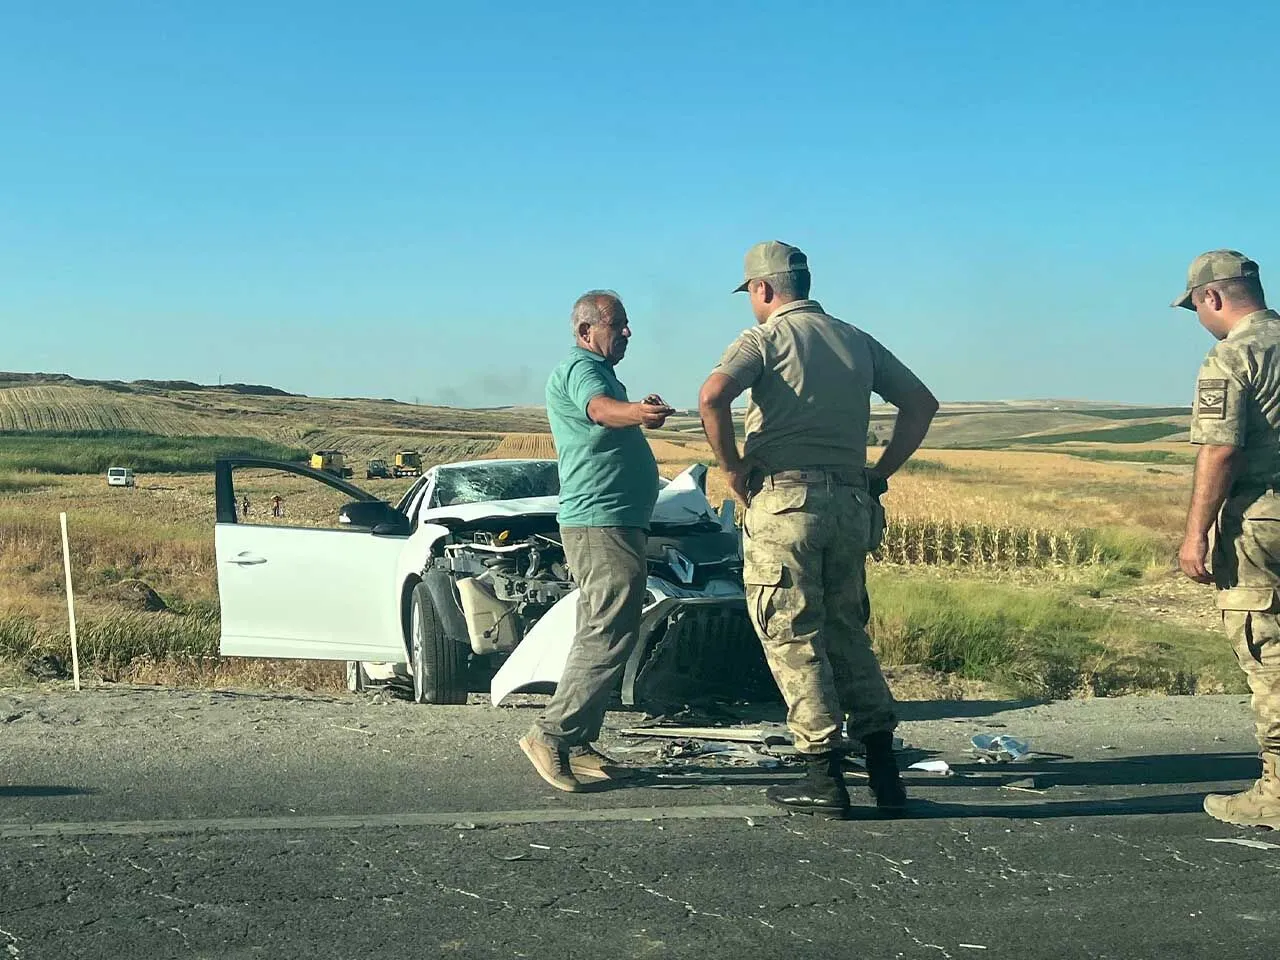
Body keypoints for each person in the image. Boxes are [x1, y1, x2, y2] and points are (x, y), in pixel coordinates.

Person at [699, 241, 938, 818]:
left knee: (792, 632)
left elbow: (712, 396)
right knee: (846, 631)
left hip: (787, 503)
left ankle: (821, 773)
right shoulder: (854, 338)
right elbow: (921, 403)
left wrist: (731, 466)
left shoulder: (763, 338)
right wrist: (878, 473)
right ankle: (884, 770)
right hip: (850, 503)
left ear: (762, 290)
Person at [519, 290, 675, 792]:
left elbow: (610, 406)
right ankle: (551, 734)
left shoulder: (599, 369)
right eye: (619, 325)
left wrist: (634, 409)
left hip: (613, 521)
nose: (628, 332)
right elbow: (601, 410)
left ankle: (577, 740)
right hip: (599, 523)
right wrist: (636, 412)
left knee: (602, 629)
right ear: (587, 331)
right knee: (611, 629)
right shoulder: (581, 369)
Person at [1174, 250, 1280, 828]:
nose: (1198, 317)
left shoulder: (1233, 355)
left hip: (1263, 521)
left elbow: (1220, 448)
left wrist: (1196, 534)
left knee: (1268, 648)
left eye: (1194, 306)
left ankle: (1278, 792)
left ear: (1212, 297)